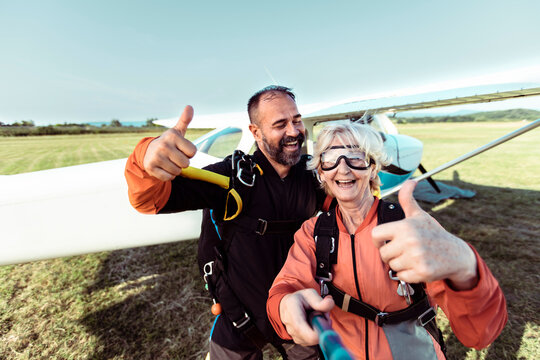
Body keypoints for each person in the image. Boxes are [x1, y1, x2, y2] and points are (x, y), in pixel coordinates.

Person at [266, 122, 507, 359]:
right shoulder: (313, 232)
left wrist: (467, 270)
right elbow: (288, 285)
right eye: (331, 159)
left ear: (373, 167)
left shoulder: (410, 227)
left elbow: (479, 335)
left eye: (355, 157)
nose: (343, 169)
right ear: (321, 172)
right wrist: (284, 305)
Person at [125, 86, 330, 359]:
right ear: (255, 133)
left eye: (296, 120)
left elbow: (351, 213)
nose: (294, 131)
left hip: (296, 313)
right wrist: (145, 158)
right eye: (280, 124)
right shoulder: (232, 177)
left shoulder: (312, 176)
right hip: (240, 320)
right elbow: (151, 200)